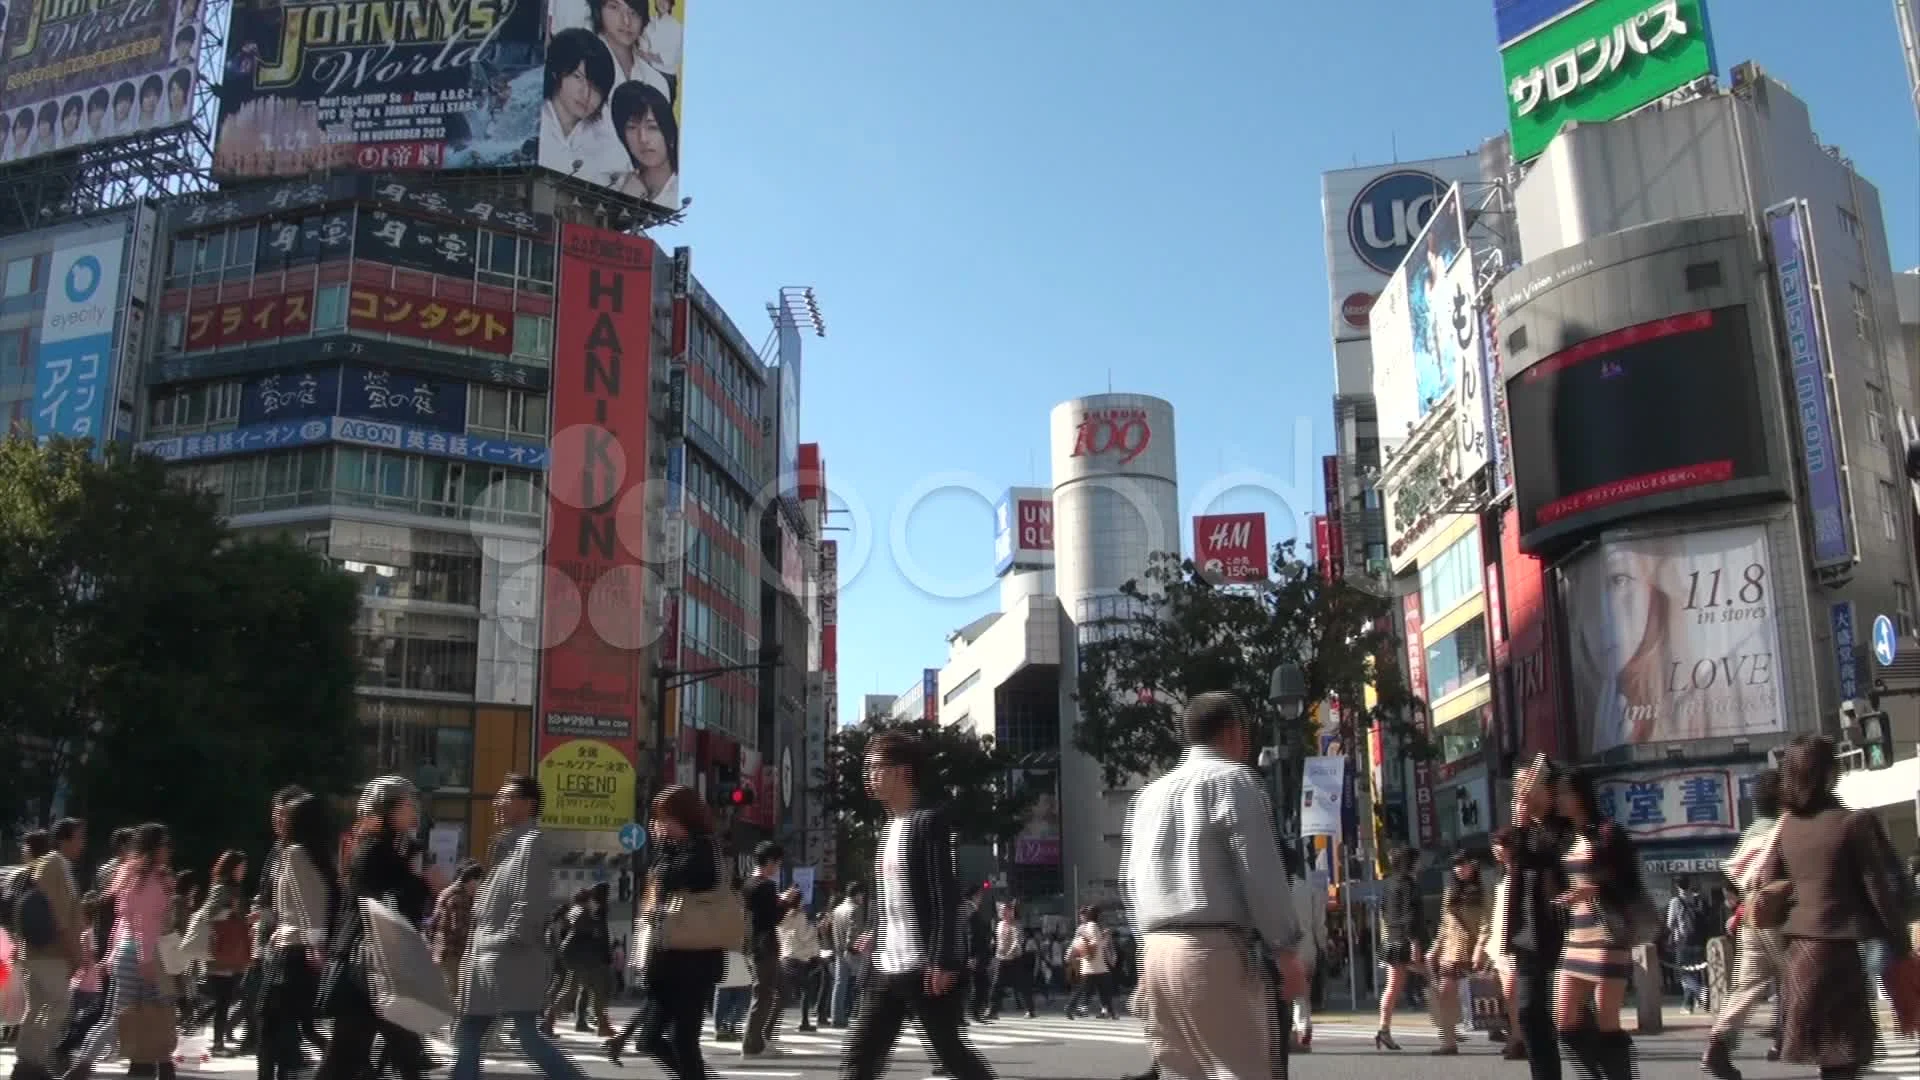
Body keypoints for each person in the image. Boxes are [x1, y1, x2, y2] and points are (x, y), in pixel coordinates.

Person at [1120, 691, 1302, 1080]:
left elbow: (1131, 881)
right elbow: (1260, 870)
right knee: (1243, 1070)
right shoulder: (1234, 780)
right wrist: (1285, 949)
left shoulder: (1148, 796)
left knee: (1182, 1073)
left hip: (1155, 950)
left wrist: (1142, 952)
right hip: (1212, 948)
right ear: (1233, 732)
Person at [840, 730, 996, 1080]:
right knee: (859, 1058)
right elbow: (888, 899)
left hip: (923, 966)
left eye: (877, 767)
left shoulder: (928, 823)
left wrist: (943, 959)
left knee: (952, 1055)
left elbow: (944, 896)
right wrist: (873, 933)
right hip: (885, 965)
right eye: (868, 768)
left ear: (904, 772)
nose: (870, 776)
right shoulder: (886, 828)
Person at [1763, 735, 1909, 1080]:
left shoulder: (1786, 827)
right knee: (1844, 1056)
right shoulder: (1851, 823)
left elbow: (1768, 881)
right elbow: (1878, 890)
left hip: (1797, 953)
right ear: (1830, 773)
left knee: (1830, 1059)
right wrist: (1901, 941)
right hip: (1837, 953)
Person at [450, 775, 586, 1080]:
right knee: (472, 1030)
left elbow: (530, 898)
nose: (498, 804)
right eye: (498, 797)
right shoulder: (506, 846)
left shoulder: (531, 843)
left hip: (508, 956)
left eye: (507, 797)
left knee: (523, 1033)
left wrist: (510, 938)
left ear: (529, 804)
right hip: (485, 954)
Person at [315, 777, 433, 1080]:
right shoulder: (373, 851)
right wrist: (421, 882)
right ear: (387, 809)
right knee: (349, 1055)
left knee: (351, 1054)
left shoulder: (389, 850)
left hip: (370, 964)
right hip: (366, 962)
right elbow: (384, 905)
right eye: (406, 804)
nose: (413, 810)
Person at [605, 784, 725, 1078]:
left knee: (683, 1039)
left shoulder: (703, 848)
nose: (661, 825)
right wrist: (663, 846)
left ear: (685, 817)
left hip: (694, 958)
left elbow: (676, 880)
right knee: (649, 1040)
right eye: (658, 819)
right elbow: (659, 881)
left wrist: (664, 847)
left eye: (667, 819)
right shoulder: (674, 849)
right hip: (668, 956)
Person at [1552, 767, 1644, 1080]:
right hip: (1576, 936)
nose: (1558, 800)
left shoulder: (1608, 833)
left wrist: (1596, 889)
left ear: (1580, 795)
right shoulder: (1566, 837)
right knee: (1564, 1020)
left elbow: (1630, 883)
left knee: (1607, 1023)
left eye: (1564, 793)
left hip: (1608, 933)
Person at [1704, 768, 1785, 1080]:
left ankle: (1717, 1046)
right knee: (1807, 979)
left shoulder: (1751, 832)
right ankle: (1819, 1049)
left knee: (1745, 988)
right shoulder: (1783, 828)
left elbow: (1736, 876)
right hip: (1780, 915)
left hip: (1751, 916)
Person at [1506, 756, 1571, 1080]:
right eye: (1517, 791)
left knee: (1573, 1021)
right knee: (1529, 1013)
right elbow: (1517, 867)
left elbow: (1548, 859)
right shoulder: (1523, 832)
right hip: (1527, 934)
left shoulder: (1562, 828)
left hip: (1563, 931)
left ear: (1546, 791)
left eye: (1526, 789)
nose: (1521, 797)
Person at [16, 818, 84, 1080]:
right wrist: (74, 953)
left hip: (43, 952)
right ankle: (32, 1062)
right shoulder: (54, 865)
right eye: (79, 837)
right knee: (60, 1006)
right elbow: (58, 915)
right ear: (64, 839)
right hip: (49, 952)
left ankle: (27, 1063)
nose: (82, 844)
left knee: (38, 1008)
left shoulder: (56, 865)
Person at [739, 842, 799, 1057]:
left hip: (753, 944)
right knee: (764, 994)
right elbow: (772, 919)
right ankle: (753, 1044)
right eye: (778, 863)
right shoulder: (766, 886)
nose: (778, 868)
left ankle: (761, 1039)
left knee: (776, 992)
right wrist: (785, 902)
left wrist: (781, 902)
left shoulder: (748, 884)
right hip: (765, 945)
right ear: (771, 862)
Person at [1427, 851, 1488, 1055]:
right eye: (1456, 865)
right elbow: (1445, 925)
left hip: (1476, 948)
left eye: (1464, 864)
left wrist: (1480, 950)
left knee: (1494, 993)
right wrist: (1434, 949)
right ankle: (1448, 1041)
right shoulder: (1449, 891)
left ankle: (1512, 1035)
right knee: (1445, 993)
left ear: (1473, 865)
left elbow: (1487, 924)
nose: (1460, 869)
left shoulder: (1483, 889)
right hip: (1451, 950)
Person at [196, 851, 251, 1057]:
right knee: (222, 1000)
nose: (243, 871)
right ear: (232, 868)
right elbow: (209, 914)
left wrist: (243, 918)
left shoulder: (233, 889)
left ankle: (218, 1040)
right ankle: (217, 1043)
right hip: (221, 951)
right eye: (241, 867)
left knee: (226, 999)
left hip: (231, 951)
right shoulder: (220, 889)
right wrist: (232, 911)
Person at [1375, 846, 1425, 1050]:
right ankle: (1448, 1028)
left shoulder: (1389, 884)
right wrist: (1415, 942)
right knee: (1436, 978)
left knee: (1392, 987)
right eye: (1417, 861)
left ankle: (1384, 1029)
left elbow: (1385, 912)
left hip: (1392, 940)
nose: (1420, 864)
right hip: (1407, 940)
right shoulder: (1409, 885)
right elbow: (1410, 915)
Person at [1481, 827, 1522, 1059]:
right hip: (1500, 943)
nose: (1498, 850)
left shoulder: (1521, 874)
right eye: (1495, 845)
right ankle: (1517, 1035)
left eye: (1503, 845)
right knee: (1507, 994)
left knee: (1512, 992)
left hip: (1516, 942)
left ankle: (1519, 1037)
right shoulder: (1502, 875)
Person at [1282, 843, 1326, 1051]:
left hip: (1279, 947)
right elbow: (1319, 924)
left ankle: (1288, 1034)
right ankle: (1304, 1030)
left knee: (1280, 993)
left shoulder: (1270, 890)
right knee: (1302, 993)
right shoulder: (1310, 890)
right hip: (1306, 947)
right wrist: (1322, 945)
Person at [431, 862, 484, 1000]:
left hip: (443, 950)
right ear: (472, 880)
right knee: (455, 994)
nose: (481, 887)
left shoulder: (448, 891)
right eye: (479, 882)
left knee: (451, 991)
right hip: (453, 952)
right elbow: (459, 929)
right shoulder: (459, 898)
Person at [776, 901, 823, 1034]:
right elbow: (804, 937)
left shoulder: (782, 917)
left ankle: (769, 1023)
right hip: (797, 959)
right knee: (806, 990)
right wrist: (814, 929)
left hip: (784, 958)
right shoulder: (800, 917)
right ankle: (804, 1022)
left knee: (781, 994)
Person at [1064, 906, 1116, 1020]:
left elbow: (1076, 943)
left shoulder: (1084, 927)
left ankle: (1108, 1012)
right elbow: (1097, 944)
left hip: (1091, 964)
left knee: (1095, 989)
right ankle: (1070, 1007)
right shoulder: (1093, 926)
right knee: (1098, 988)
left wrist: (1069, 955)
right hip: (1095, 964)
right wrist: (1106, 938)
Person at [1667, 875, 1709, 1011]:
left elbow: (1670, 923)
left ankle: (1695, 999)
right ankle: (1694, 1002)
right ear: (1689, 884)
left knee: (1685, 974)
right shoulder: (1696, 899)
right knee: (1696, 972)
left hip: (1683, 942)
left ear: (1677, 886)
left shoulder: (1676, 901)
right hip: (1699, 941)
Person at [987, 900, 1034, 1020]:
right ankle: (993, 1011)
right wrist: (994, 947)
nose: (1001, 912)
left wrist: (1011, 951)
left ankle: (1030, 1009)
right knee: (996, 985)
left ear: (1010, 911)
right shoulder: (999, 925)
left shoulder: (1016, 924)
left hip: (1014, 959)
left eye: (1004, 910)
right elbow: (997, 941)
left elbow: (1017, 942)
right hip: (1001, 959)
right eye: (1000, 910)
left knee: (1022, 985)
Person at [828, 885, 867, 1028]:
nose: (863, 898)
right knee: (864, 982)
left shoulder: (837, 909)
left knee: (839, 984)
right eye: (862, 895)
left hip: (839, 950)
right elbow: (853, 930)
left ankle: (836, 1017)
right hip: (852, 952)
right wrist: (852, 947)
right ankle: (864, 1015)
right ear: (857, 894)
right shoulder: (855, 909)